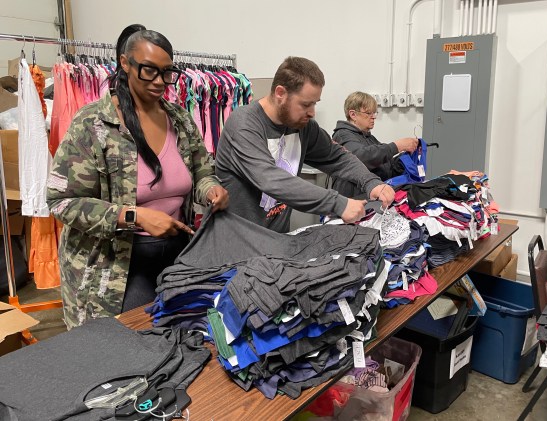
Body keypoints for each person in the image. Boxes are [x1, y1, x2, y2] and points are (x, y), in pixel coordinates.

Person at [47, 25, 229, 328]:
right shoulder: (93, 125)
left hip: (176, 253)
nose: (160, 81)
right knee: (128, 343)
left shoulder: (179, 119)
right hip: (115, 267)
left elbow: (201, 173)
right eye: (149, 71)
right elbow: (62, 202)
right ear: (125, 63)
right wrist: (135, 216)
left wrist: (211, 189)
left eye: (167, 72)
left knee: (185, 334)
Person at [215, 56, 395, 233]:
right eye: (305, 104)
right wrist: (338, 203)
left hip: (275, 242)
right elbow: (270, 179)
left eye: (315, 104)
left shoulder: (303, 126)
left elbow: (337, 156)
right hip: (236, 246)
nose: (312, 113)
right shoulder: (244, 124)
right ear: (280, 93)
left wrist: (371, 182)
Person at [331, 91, 419, 198]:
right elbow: (361, 158)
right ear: (353, 114)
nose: (374, 117)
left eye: (374, 113)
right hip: (352, 201)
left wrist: (405, 157)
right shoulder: (342, 136)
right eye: (368, 113)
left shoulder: (369, 138)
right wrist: (397, 146)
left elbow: (386, 167)